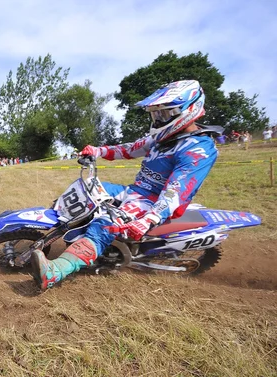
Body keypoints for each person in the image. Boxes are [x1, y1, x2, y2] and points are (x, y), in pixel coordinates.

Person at [31, 80, 220, 291]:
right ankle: (74, 239)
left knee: (104, 224)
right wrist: (98, 151)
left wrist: (149, 219)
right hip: (135, 192)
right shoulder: (164, 138)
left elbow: (177, 191)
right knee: (87, 190)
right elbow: (130, 148)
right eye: (156, 114)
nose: (159, 119)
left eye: (165, 114)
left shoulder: (197, 149)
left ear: (188, 110)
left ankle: (54, 272)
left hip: (155, 204)